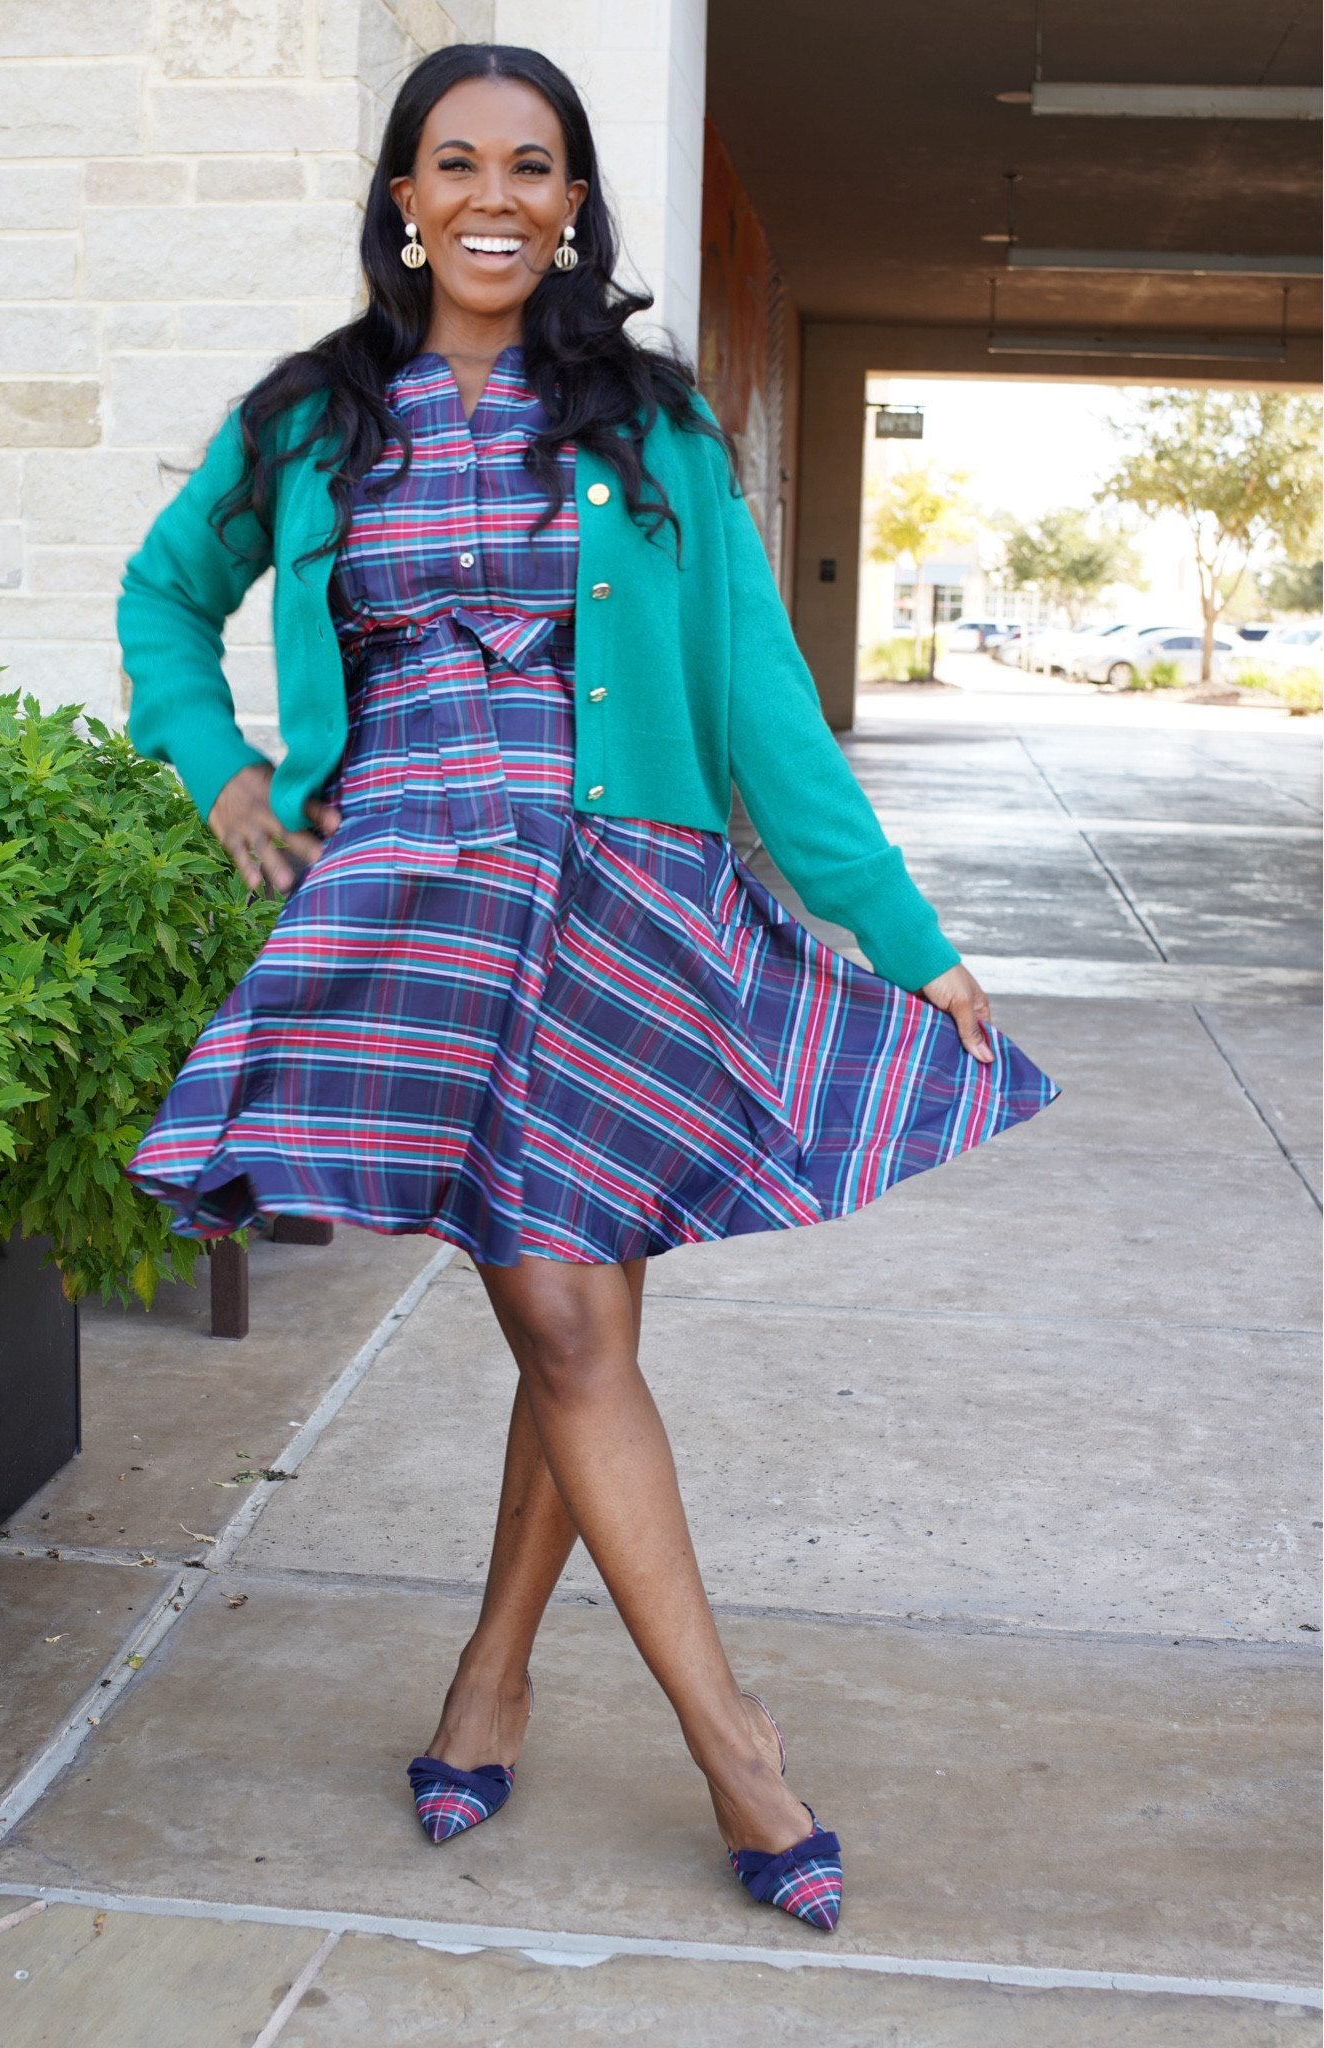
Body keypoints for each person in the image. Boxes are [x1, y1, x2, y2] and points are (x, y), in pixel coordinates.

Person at [118, 42, 1056, 1933]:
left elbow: (759, 699)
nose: (488, 194)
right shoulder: (308, 420)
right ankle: (735, 1749)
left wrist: (904, 935)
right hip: (406, 907)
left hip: (621, 900)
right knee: (569, 1320)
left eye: (528, 165)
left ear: (569, 204)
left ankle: (519, 1691)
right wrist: (220, 769)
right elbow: (161, 596)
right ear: (400, 195)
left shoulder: (656, 425)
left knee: (569, 1325)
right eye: (452, 161)